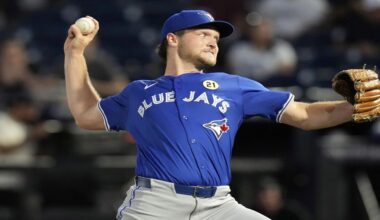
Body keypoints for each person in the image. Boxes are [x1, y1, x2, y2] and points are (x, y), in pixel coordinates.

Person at [64, 10, 353, 220]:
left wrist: (352, 107)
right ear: (173, 39)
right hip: (155, 205)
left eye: (215, 37)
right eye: (203, 34)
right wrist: (74, 55)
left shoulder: (234, 86)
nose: (213, 41)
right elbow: (87, 114)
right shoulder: (140, 91)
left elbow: (304, 114)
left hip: (218, 206)